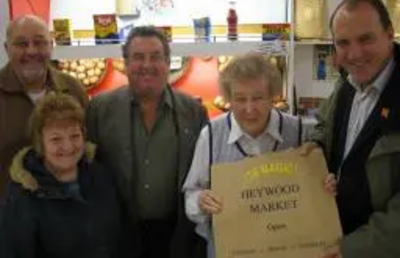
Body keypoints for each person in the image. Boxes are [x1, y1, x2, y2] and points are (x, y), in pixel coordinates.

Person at [86, 26, 208, 258]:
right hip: (118, 236)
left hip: (178, 236)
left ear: (167, 62)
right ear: (125, 63)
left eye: (155, 57)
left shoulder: (193, 112)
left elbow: (205, 173)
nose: (147, 65)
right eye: (138, 57)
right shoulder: (99, 109)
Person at [183, 53, 309, 257]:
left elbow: (312, 193)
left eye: (258, 98)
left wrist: (324, 185)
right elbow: (191, 194)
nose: (249, 109)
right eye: (240, 99)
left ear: (272, 96)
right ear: (228, 99)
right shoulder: (212, 135)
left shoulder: (298, 131)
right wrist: (200, 201)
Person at [305, 0, 400, 257]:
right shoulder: (348, 82)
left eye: (366, 39)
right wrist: (316, 145)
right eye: (343, 43)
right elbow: (325, 124)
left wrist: (350, 249)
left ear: (390, 33)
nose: (354, 53)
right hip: (335, 237)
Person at [0, 93, 125, 258]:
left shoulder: (100, 175)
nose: (68, 146)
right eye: (56, 139)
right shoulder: (22, 196)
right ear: (40, 143)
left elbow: (124, 235)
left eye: (74, 136)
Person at [0, 15, 88, 197]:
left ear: (51, 46)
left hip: (66, 210)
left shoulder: (73, 88)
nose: (32, 51)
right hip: (9, 215)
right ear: (7, 49)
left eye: (40, 43)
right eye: (21, 44)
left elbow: (86, 148)